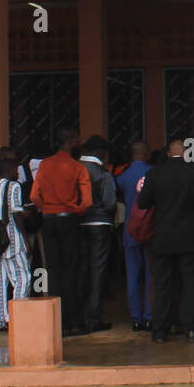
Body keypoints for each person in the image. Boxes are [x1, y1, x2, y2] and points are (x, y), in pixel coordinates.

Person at [136, 136, 194, 343]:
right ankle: (191, 330)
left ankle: (160, 331)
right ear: (187, 153)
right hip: (190, 237)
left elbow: (143, 203)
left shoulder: (154, 173)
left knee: (162, 284)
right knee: (190, 283)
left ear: (168, 154)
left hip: (163, 237)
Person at [31, 127, 91, 336]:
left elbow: (34, 196)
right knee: (71, 271)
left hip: (48, 220)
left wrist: (47, 206)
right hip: (68, 220)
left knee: (53, 271)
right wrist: (74, 209)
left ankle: (56, 323)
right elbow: (87, 202)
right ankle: (74, 322)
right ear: (72, 142)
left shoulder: (45, 165)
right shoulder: (77, 167)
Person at [78, 134, 117, 333]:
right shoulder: (103, 172)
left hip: (78, 223)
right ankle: (94, 318)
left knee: (80, 270)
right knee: (97, 271)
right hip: (100, 224)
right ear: (101, 152)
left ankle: (78, 317)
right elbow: (110, 202)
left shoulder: (75, 169)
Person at [0, 157, 32, 333]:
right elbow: (16, 215)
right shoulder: (14, 186)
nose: (18, 172)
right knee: (23, 277)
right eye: (16, 169)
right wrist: (26, 239)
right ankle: (17, 318)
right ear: (10, 169)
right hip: (12, 238)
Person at [115, 141, 154, 331]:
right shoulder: (154, 173)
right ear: (145, 153)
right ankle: (149, 316)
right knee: (150, 275)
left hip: (130, 232)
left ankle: (135, 318)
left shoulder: (122, 178)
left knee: (132, 276)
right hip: (150, 230)